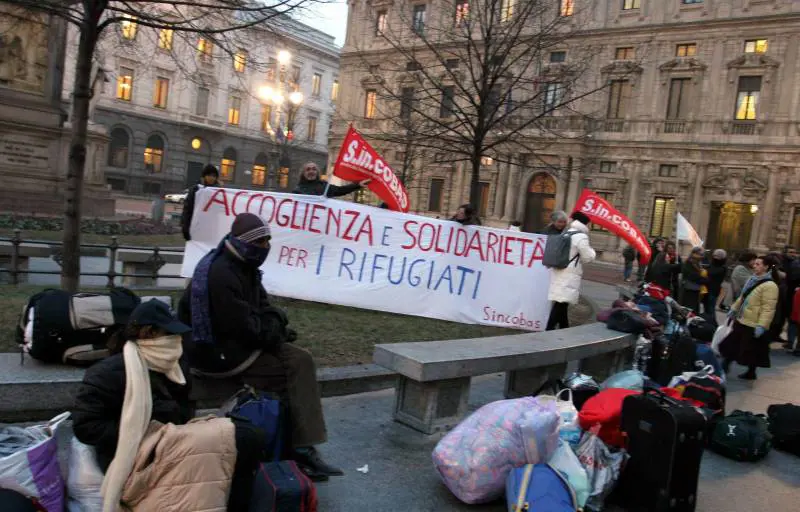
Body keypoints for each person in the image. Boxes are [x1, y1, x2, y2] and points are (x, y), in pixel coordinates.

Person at [178, 212, 341, 482]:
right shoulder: (221, 274)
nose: (266, 246)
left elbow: (263, 310)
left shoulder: (244, 265)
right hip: (218, 354)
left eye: (268, 240)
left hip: (239, 344)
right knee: (289, 372)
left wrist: (274, 323)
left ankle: (302, 447)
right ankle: (294, 450)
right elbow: (246, 328)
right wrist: (275, 323)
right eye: (260, 241)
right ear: (244, 242)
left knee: (301, 359)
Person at [71, 300, 254, 511]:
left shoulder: (174, 367)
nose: (177, 341)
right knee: (238, 438)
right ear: (148, 333)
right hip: (131, 454)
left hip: (172, 439)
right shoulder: (108, 373)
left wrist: (170, 429)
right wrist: (145, 430)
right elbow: (85, 427)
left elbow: (184, 413)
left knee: (244, 435)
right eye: (170, 334)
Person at [719, 254, 780, 380]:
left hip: (753, 322)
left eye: (758, 264)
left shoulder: (770, 286)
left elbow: (768, 308)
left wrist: (761, 325)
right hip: (742, 318)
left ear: (766, 267)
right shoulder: (753, 279)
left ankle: (750, 372)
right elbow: (743, 296)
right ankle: (725, 365)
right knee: (732, 344)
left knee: (752, 350)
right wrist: (734, 309)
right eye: (754, 263)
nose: (754, 266)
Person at [546, 212, 596, 330]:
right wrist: (593, 251)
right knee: (561, 303)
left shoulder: (566, 232)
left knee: (562, 302)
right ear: (584, 224)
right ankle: (548, 328)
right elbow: (588, 257)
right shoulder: (581, 237)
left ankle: (564, 328)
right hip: (570, 274)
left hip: (559, 270)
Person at [181, 164, 220, 241]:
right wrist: (185, 227)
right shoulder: (195, 190)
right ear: (204, 176)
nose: (211, 178)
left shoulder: (218, 192)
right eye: (209, 175)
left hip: (210, 229)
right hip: (195, 226)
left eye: (214, 176)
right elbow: (188, 209)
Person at [292, 161, 370, 197]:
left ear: (317, 172)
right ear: (303, 173)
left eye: (314, 169)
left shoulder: (324, 186)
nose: (311, 171)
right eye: (308, 169)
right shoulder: (297, 190)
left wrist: (358, 184)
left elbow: (341, 190)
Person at [680, 246, 708, 313]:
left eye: (702, 254)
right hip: (689, 289)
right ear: (693, 253)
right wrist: (704, 280)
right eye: (699, 254)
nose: (701, 256)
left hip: (696, 289)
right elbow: (693, 276)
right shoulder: (689, 263)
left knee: (694, 310)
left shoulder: (697, 263)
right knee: (689, 310)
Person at [706, 249, 728, 313]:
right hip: (710, 290)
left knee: (710, 310)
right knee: (709, 309)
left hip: (712, 291)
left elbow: (711, 273)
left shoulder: (721, 268)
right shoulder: (719, 267)